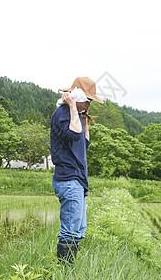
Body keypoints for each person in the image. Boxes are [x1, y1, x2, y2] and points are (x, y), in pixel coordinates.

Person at [50, 77, 103, 264]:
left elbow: (83, 144)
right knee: (70, 231)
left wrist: (84, 119)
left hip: (77, 180)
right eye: (87, 100)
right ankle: (64, 271)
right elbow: (73, 134)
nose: (89, 104)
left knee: (79, 230)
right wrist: (73, 106)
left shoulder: (76, 117)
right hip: (68, 179)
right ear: (77, 95)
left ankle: (68, 270)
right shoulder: (63, 113)